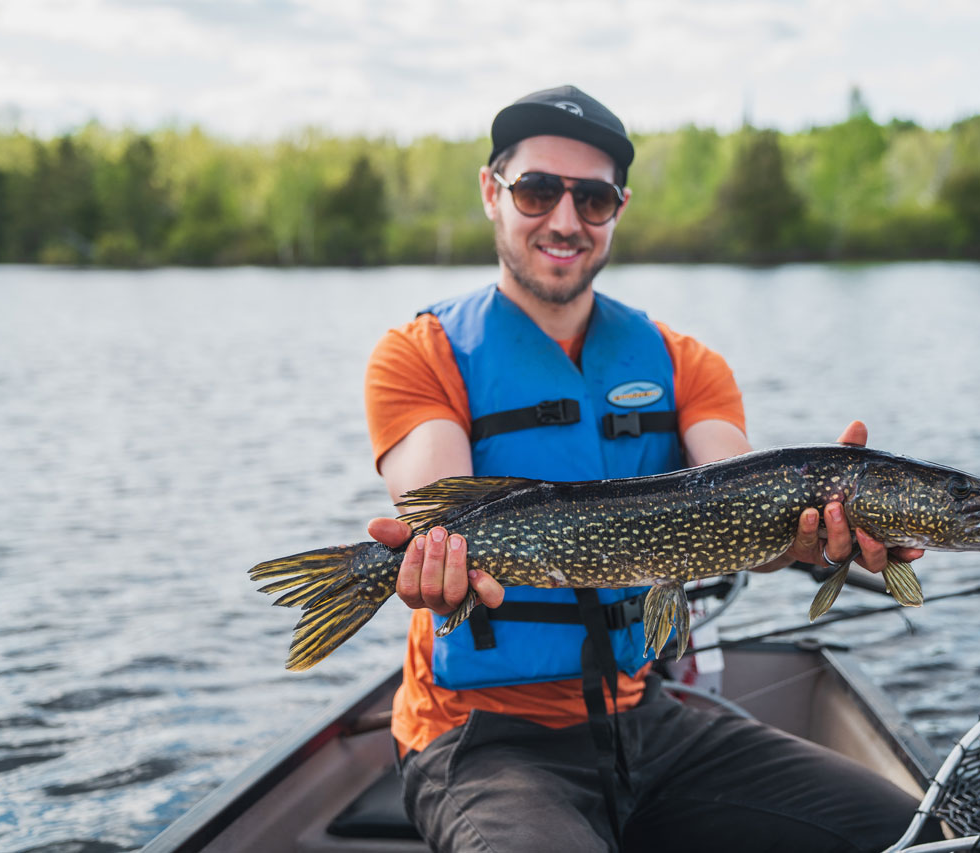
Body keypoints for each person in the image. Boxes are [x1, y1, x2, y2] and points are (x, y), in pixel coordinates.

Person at [363, 84, 942, 852]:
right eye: (537, 190)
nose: (564, 221)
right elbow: (436, 508)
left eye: (592, 198)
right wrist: (435, 561)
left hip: (644, 718)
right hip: (481, 738)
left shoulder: (684, 363)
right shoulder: (419, 354)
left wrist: (811, 529)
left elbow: (744, 501)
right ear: (491, 192)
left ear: (618, 209)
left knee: (915, 832)